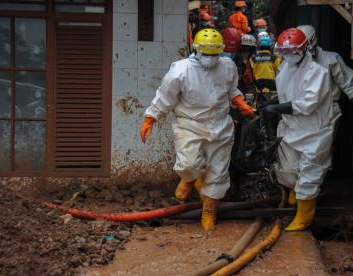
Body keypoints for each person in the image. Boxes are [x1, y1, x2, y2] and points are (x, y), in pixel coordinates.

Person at [140, 28, 254, 231]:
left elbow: (231, 90)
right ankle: (188, 178)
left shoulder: (227, 66)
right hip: (190, 124)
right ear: (196, 50)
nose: (211, 58)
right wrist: (151, 117)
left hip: (220, 124)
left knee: (218, 172)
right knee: (188, 164)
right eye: (206, 54)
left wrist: (240, 103)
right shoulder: (180, 70)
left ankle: (209, 211)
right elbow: (165, 96)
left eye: (215, 54)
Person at [260, 28, 333, 231]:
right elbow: (287, 94)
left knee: (310, 174)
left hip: (314, 132)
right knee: (287, 171)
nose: (287, 56)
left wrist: (277, 108)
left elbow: (308, 103)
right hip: (290, 128)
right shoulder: (285, 67)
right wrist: (273, 103)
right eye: (284, 53)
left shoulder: (318, 72)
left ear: (303, 50)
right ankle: (297, 190)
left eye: (291, 53)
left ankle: (304, 215)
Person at [296, 25, 353, 126]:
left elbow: (351, 86)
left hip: (328, 111)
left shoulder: (331, 59)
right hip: (302, 110)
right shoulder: (292, 63)